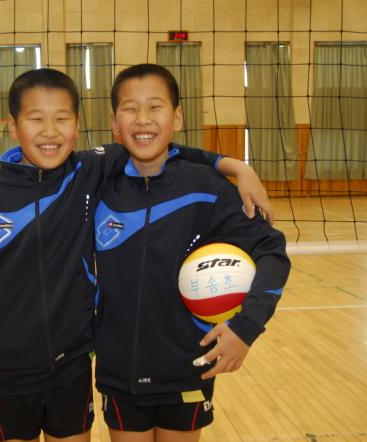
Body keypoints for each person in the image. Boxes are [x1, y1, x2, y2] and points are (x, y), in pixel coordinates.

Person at [0, 68, 272, 442]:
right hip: (4, 372)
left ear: (77, 125)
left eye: (62, 118)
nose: (50, 131)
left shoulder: (88, 171)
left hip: (73, 368)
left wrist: (233, 165)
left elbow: (159, 146)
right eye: (35, 119)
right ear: (13, 126)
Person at [93, 64, 291, 442]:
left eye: (156, 107)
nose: (143, 118)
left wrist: (246, 328)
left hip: (188, 366)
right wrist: (230, 161)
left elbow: (272, 251)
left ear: (178, 117)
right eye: (130, 109)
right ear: (114, 122)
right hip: (119, 369)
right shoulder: (99, 183)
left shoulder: (206, 188)